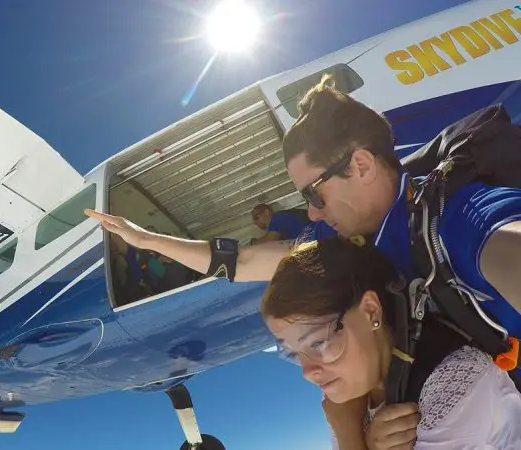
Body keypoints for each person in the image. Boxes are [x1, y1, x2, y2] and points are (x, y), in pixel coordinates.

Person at [85, 74, 521, 336]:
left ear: (362, 165)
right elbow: (235, 262)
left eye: (313, 193)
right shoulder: (344, 236)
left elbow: (505, 244)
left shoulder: (460, 218)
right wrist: (142, 238)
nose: (310, 213)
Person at [262, 237, 521, 449]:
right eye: (293, 352)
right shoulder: (349, 388)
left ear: (371, 312)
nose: (308, 373)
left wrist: (350, 437)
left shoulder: (456, 383)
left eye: (317, 343)